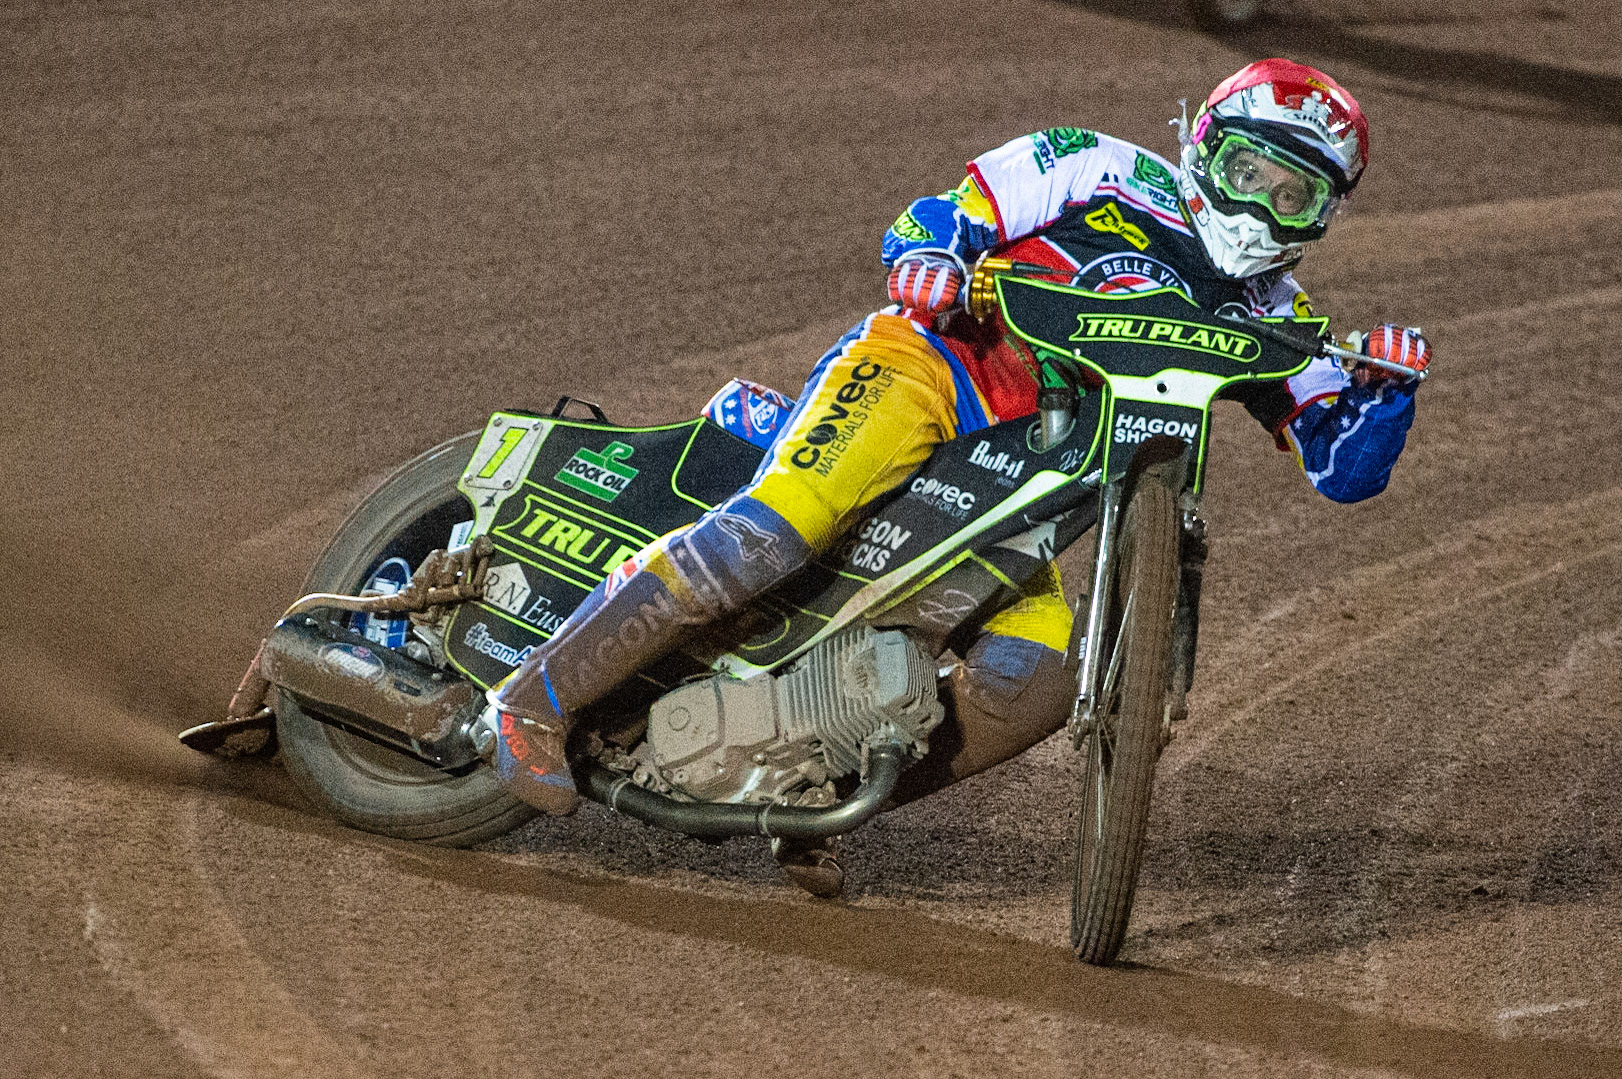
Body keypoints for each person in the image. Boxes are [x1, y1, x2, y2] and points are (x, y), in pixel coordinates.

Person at [480, 58, 1431, 896]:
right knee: (772, 532)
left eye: (1294, 194)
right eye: (1248, 172)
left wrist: (1386, 392)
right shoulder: (1098, 166)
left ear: (1324, 215)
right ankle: (531, 699)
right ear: (1203, 147)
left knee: (1038, 678)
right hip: (927, 377)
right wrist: (930, 257)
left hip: (1026, 487)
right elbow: (943, 213)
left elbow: (1343, 469)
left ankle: (809, 786)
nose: (1261, 207)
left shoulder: (1280, 317)